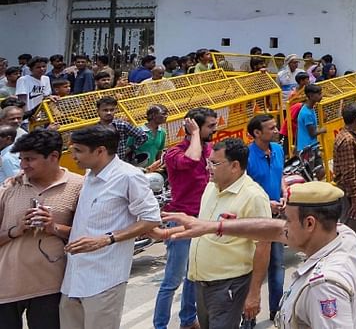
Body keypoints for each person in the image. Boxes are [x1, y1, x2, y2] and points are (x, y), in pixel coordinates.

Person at [164, 182, 356, 329]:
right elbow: (273, 229)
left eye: (288, 220)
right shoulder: (343, 237)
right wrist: (213, 226)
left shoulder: (324, 287)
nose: (283, 226)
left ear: (310, 223)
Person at [60, 125, 161, 329]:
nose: (73, 156)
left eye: (78, 150)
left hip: (105, 279)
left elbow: (151, 218)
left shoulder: (128, 176)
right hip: (74, 277)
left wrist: (107, 239)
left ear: (100, 151)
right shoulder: (89, 176)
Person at [0, 129, 84, 329]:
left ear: (54, 156)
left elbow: (87, 237)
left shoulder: (79, 187)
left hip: (51, 287)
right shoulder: (10, 187)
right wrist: (16, 230)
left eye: (30, 159)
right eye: (21, 159)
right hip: (6, 287)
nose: (23, 165)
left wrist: (53, 227)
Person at [187, 138, 271, 327]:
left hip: (229, 287)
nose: (209, 168)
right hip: (202, 284)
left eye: (215, 163)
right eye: (208, 162)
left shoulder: (254, 196)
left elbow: (263, 247)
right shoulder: (211, 187)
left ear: (234, 166)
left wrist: (254, 293)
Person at [153, 107, 218, 329]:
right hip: (180, 220)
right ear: (194, 128)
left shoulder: (209, 149)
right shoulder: (174, 153)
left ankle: (188, 319)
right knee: (172, 280)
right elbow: (191, 160)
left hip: (201, 220)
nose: (215, 129)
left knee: (193, 276)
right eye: (210, 125)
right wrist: (196, 137)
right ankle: (160, 325)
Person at [245, 114, 286, 323]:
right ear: (257, 133)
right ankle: (248, 316)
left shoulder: (278, 149)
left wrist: (285, 192)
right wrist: (265, 203)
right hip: (255, 219)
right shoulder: (246, 156)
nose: (276, 130)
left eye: (275, 126)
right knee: (254, 268)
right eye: (271, 128)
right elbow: (243, 188)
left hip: (276, 217)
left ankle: (276, 310)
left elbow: (280, 176)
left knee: (277, 264)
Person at [331, 104, 356, 234]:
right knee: (349, 229)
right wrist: (355, 198)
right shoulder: (347, 140)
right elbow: (348, 173)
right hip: (350, 191)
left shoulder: (350, 136)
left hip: (353, 189)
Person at [93, 96, 147, 165]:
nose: (109, 113)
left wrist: (130, 148)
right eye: (105, 110)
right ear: (98, 111)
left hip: (120, 163)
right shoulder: (94, 129)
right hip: (102, 164)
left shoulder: (122, 125)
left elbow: (143, 136)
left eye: (111, 110)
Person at [294, 84, 323, 153]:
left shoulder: (309, 108)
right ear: (311, 95)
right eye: (319, 94)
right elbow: (312, 133)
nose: (321, 96)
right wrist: (323, 130)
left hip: (309, 146)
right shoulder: (307, 113)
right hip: (308, 148)